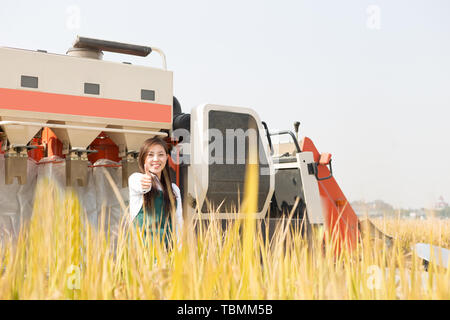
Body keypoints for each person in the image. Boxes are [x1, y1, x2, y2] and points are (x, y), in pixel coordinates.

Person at [128, 137, 183, 247]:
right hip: (142, 254)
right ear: (143, 159)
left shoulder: (174, 189)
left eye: (161, 155)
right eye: (151, 155)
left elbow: (179, 223)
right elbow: (140, 184)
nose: (156, 159)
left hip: (168, 253)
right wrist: (146, 182)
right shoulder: (136, 178)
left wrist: (179, 252)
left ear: (167, 158)